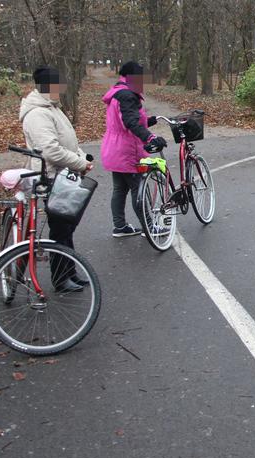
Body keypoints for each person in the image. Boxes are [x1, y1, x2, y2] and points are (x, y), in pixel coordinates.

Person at [19, 66, 94, 293]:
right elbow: (50, 150)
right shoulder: (38, 113)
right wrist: (80, 163)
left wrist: (82, 158)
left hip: (64, 175)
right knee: (60, 228)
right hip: (52, 177)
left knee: (66, 227)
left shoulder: (51, 107)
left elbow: (68, 141)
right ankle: (61, 278)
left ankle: (69, 271)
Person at [101, 61, 167, 237]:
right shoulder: (127, 95)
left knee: (120, 189)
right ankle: (150, 227)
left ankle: (120, 226)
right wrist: (150, 137)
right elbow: (130, 122)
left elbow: (128, 118)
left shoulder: (118, 92)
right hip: (127, 151)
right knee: (139, 189)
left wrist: (149, 120)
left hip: (114, 149)